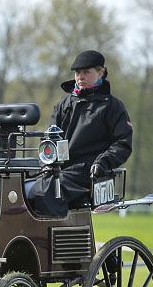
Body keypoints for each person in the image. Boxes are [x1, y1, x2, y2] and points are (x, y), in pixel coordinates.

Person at [30, 50, 133, 215]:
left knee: (49, 191)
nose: (80, 76)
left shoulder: (112, 106)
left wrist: (102, 163)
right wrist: (45, 165)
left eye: (86, 72)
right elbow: (49, 142)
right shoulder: (63, 105)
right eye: (78, 72)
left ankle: (53, 239)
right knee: (20, 187)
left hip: (90, 173)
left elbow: (122, 144)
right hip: (58, 170)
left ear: (101, 73)